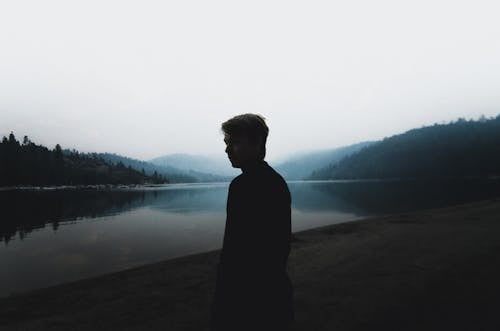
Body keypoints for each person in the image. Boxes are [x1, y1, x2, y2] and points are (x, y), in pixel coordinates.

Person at [211, 114, 294, 331]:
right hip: (274, 294)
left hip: (247, 300)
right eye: (227, 143)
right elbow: (280, 248)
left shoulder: (242, 186)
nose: (227, 150)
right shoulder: (276, 182)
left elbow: (234, 250)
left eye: (235, 142)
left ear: (257, 143)